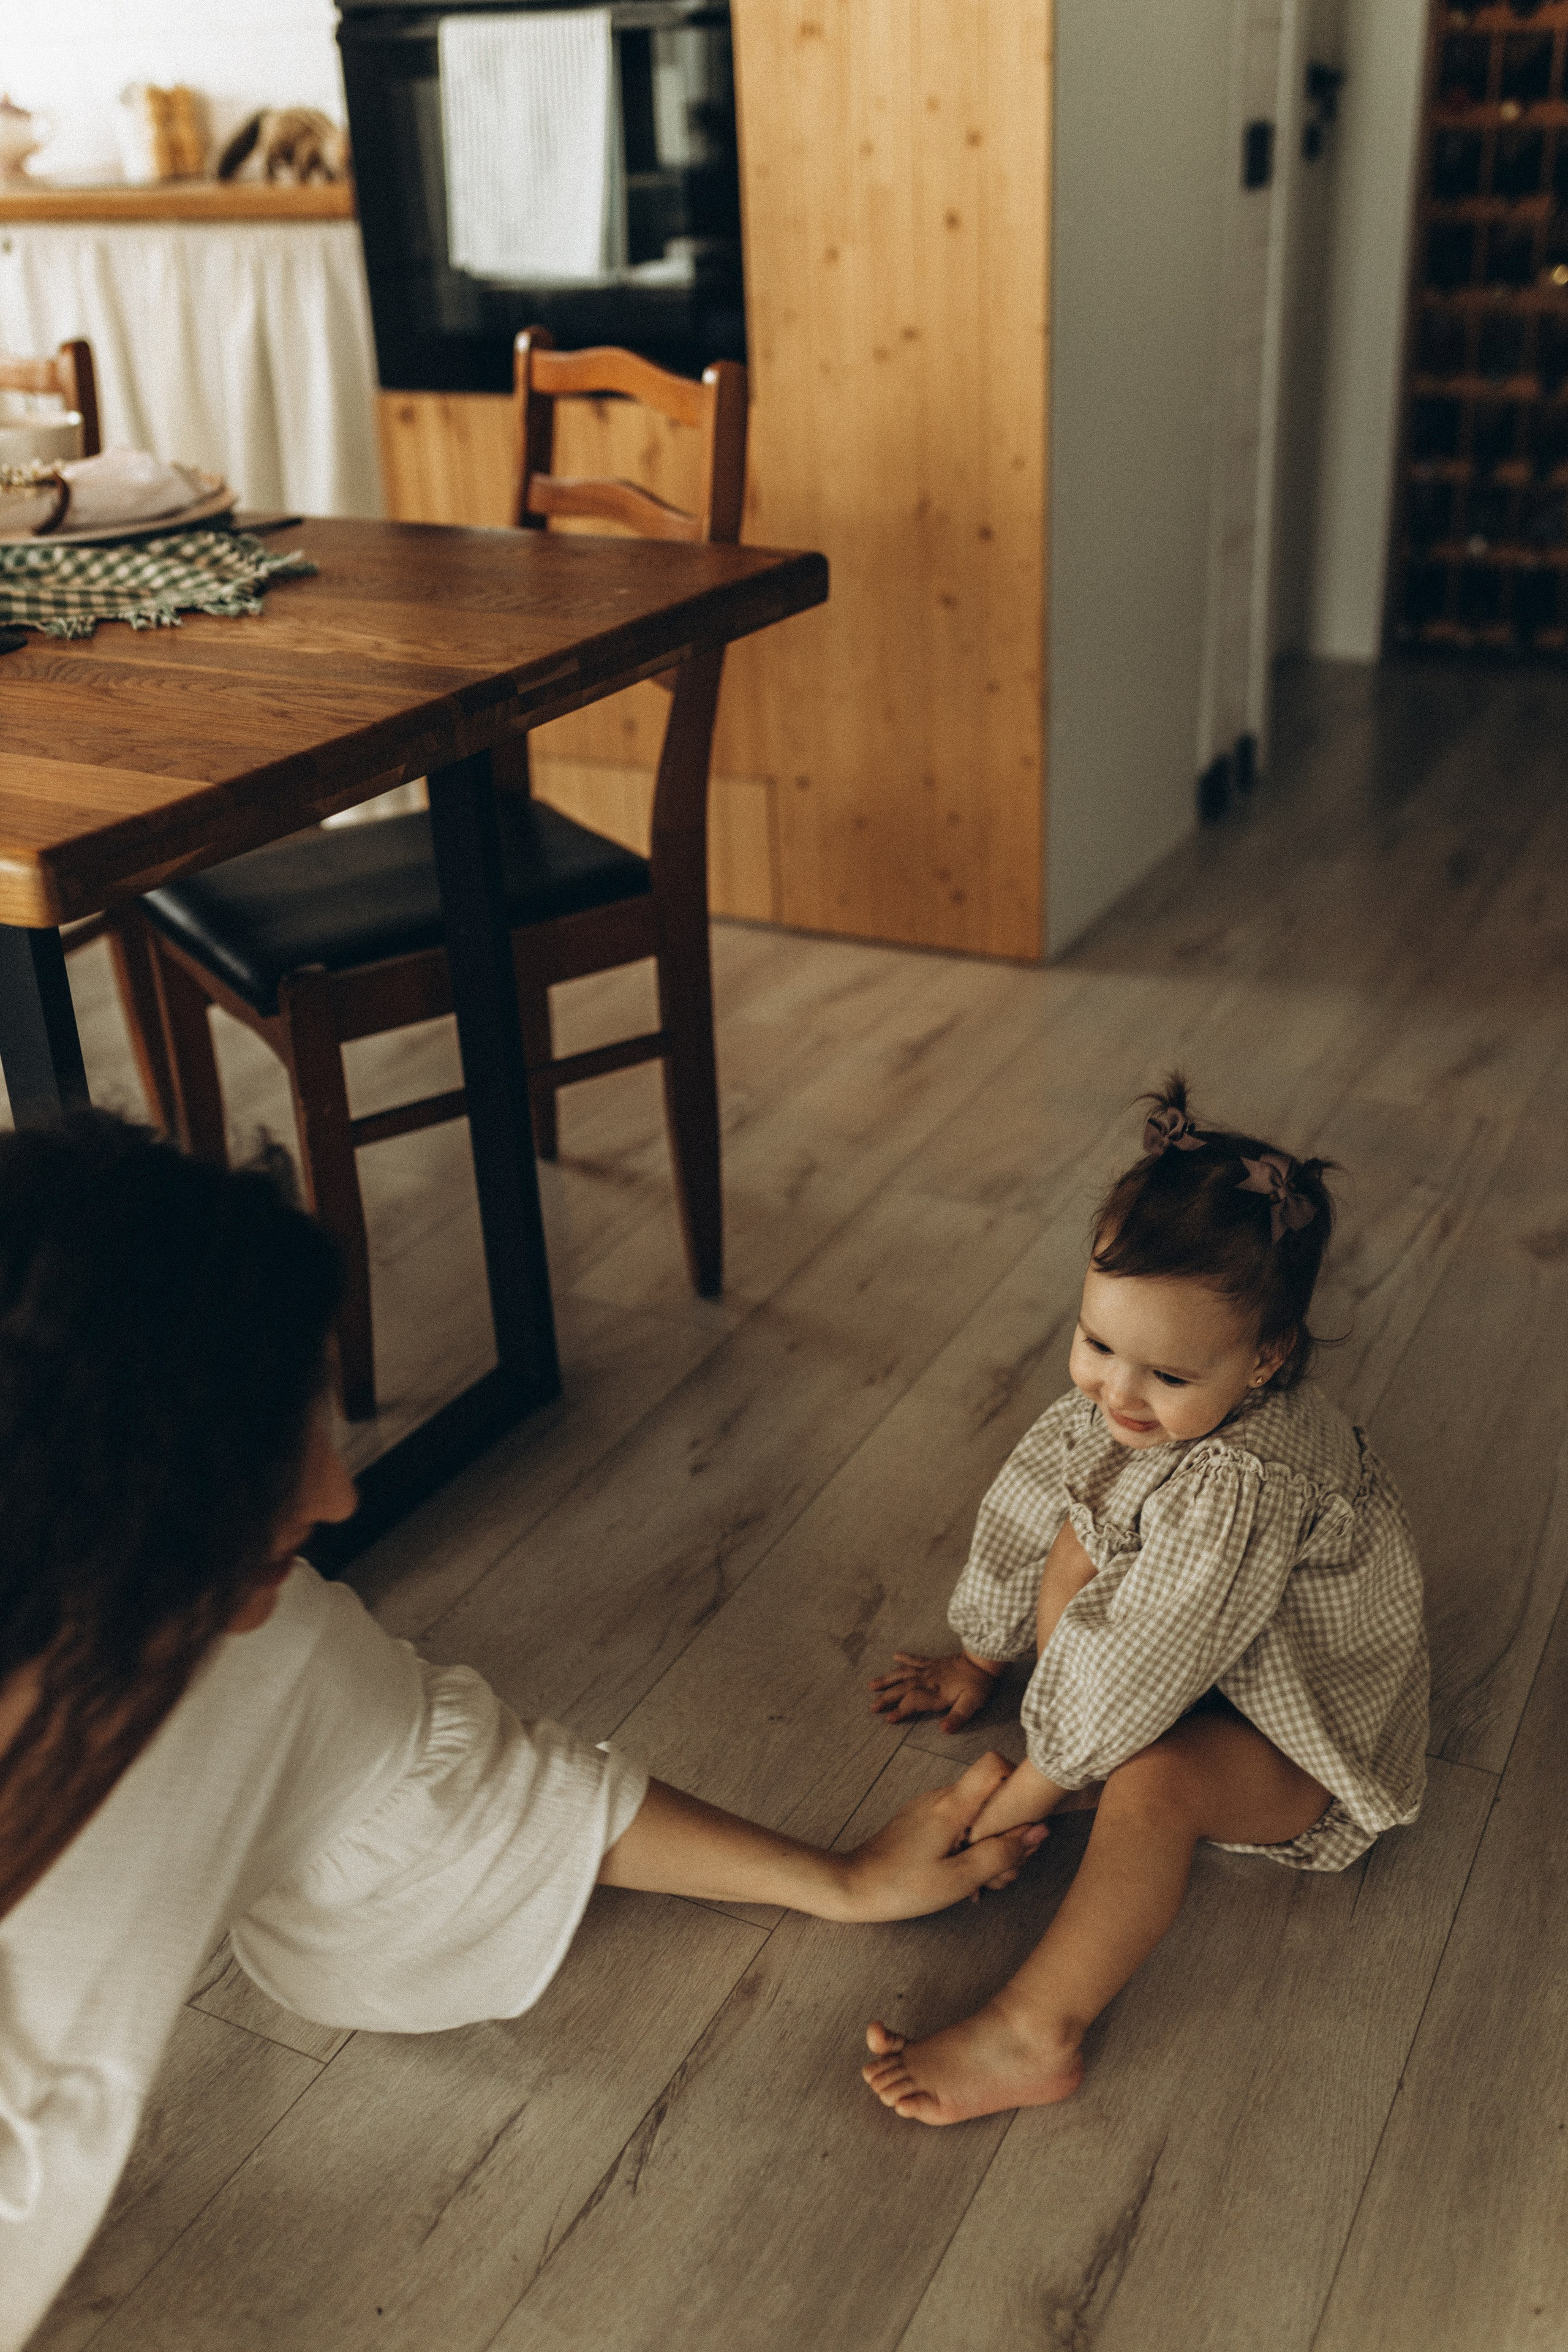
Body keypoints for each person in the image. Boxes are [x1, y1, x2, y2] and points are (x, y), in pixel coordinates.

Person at [0, 1114, 1046, 2348]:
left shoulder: (250, 1661)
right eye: (277, 1444)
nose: (338, 1493)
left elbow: (461, 1795)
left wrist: (836, 1881)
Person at [864, 1077, 1428, 2125]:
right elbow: (1031, 1501)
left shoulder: (1241, 1485)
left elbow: (1144, 1652)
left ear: (1269, 1357)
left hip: (1291, 1729)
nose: (1118, 1392)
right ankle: (1077, 1758)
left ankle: (1038, 2030)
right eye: (1096, 1342)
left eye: (1165, 1373)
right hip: (1189, 1656)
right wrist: (983, 1656)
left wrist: (1034, 1786)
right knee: (1078, 1525)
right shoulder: (1139, 1402)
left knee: (1158, 1787)